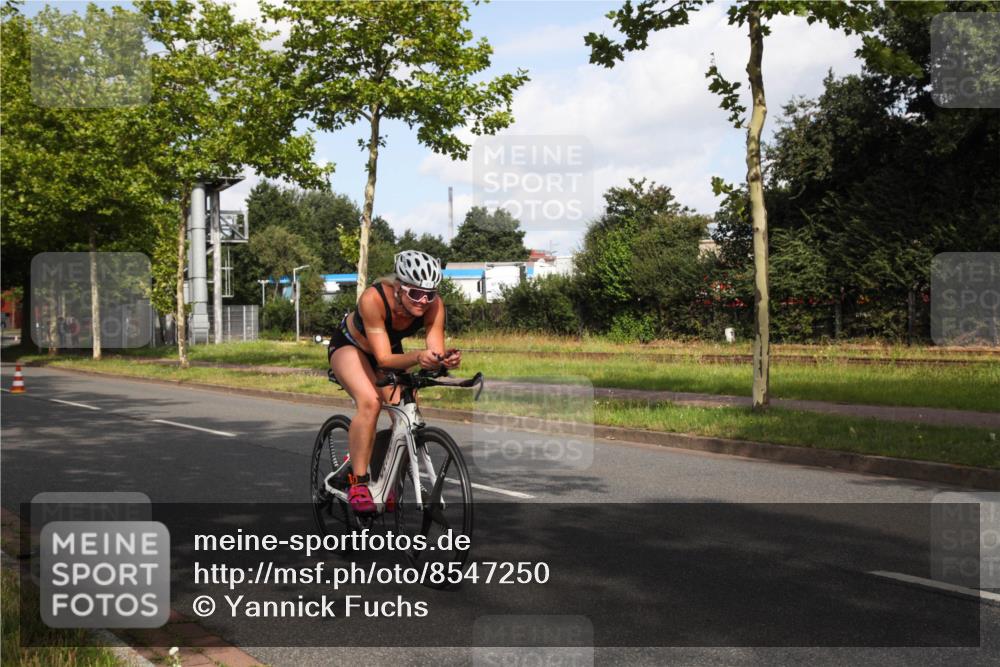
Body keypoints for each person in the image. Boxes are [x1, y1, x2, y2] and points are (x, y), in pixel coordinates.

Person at [327, 250, 460, 513]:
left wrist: (443, 360)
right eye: (415, 293)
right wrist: (417, 357)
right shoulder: (373, 299)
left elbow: (433, 349)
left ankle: (384, 480)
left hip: (388, 351)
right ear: (398, 287)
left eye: (429, 294)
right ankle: (358, 482)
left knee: (405, 416)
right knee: (370, 402)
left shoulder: (434, 305)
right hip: (351, 347)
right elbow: (384, 359)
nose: (423, 300)